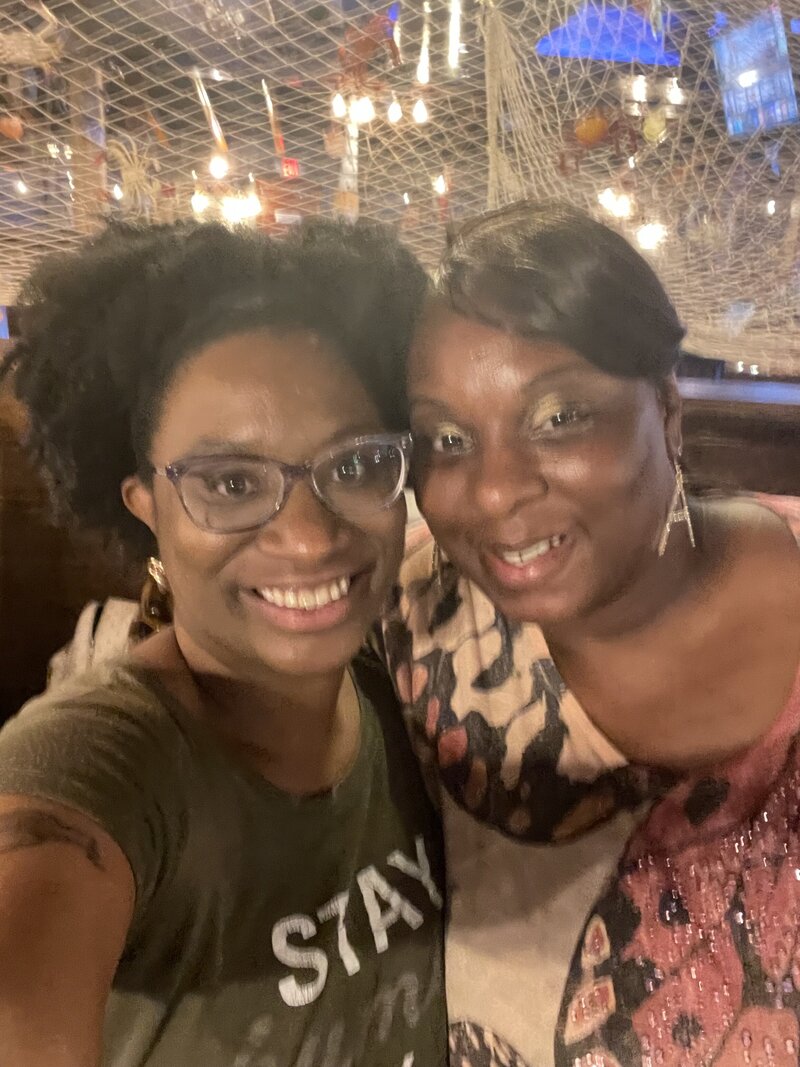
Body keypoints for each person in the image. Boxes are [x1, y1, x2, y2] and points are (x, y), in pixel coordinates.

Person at [0, 218, 447, 1067]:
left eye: (354, 466)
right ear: (145, 507)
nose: (309, 538)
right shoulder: (99, 761)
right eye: (232, 482)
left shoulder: (403, 689)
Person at [382, 201, 800, 1066]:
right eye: (447, 438)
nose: (494, 491)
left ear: (668, 409)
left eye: (559, 417)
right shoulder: (410, 614)